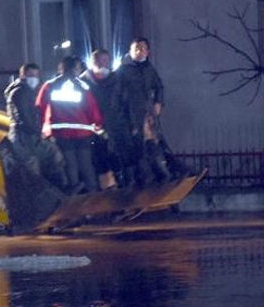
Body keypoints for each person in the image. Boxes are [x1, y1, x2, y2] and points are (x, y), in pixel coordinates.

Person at [36, 56, 103, 193]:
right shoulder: (83, 86)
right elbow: (92, 108)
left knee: (70, 165)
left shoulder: (49, 85)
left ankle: (75, 196)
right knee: (86, 165)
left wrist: (42, 128)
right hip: (82, 133)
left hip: (60, 133)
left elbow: (40, 107)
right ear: (75, 68)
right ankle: (93, 195)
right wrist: (98, 124)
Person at [112, 37, 170, 186]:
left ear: (148, 51)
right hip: (132, 117)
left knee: (154, 145)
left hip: (148, 115)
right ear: (130, 51)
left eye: (143, 48)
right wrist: (123, 120)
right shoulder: (123, 71)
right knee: (139, 150)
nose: (139, 52)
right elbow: (117, 98)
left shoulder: (148, 68)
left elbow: (158, 86)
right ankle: (145, 179)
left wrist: (158, 103)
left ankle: (163, 175)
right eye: (136, 48)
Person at [3, 63, 67, 190]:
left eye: (36, 75)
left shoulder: (31, 91)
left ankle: (54, 190)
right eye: (30, 75)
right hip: (23, 136)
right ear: (22, 75)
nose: (34, 78)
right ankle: (40, 194)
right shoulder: (20, 92)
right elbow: (26, 117)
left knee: (52, 156)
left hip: (31, 135)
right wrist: (40, 131)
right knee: (31, 165)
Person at [80, 49, 120, 189]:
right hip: (92, 127)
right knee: (98, 159)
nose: (103, 64)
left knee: (116, 157)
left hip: (114, 125)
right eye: (99, 60)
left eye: (105, 60)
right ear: (93, 62)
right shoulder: (83, 82)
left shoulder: (116, 80)